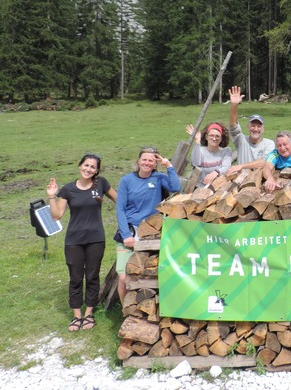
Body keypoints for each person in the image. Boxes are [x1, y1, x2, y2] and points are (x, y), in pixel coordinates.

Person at [46, 154, 117, 332]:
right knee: (76, 278)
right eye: (86, 165)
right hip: (74, 241)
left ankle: (89, 313)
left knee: (92, 276)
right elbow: (56, 216)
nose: (89, 169)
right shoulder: (68, 189)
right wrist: (51, 197)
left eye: (93, 167)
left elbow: (119, 200)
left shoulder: (101, 184)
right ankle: (76, 315)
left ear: (97, 170)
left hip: (96, 239)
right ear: (80, 166)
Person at [115, 147, 180, 303]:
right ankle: (126, 310)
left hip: (150, 232)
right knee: (124, 277)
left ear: (155, 163)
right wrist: (126, 235)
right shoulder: (127, 180)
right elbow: (120, 208)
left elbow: (176, 188)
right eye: (144, 159)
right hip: (130, 230)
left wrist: (169, 166)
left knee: (148, 274)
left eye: (151, 160)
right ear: (138, 161)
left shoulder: (158, 178)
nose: (147, 163)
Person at [226, 86, 275, 175]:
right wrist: (234, 105)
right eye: (253, 126)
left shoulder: (269, 144)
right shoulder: (241, 140)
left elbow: (263, 163)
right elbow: (233, 125)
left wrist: (240, 166)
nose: (255, 129)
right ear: (248, 127)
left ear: (263, 129)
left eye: (259, 126)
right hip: (241, 181)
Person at [185, 122, 232, 186]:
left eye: (217, 136)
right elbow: (195, 163)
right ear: (206, 137)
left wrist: (216, 172)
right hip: (200, 187)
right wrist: (197, 141)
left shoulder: (226, 151)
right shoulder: (200, 151)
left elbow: (226, 167)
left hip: (219, 186)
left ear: (221, 139)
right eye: (211, 135)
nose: (214, 138)